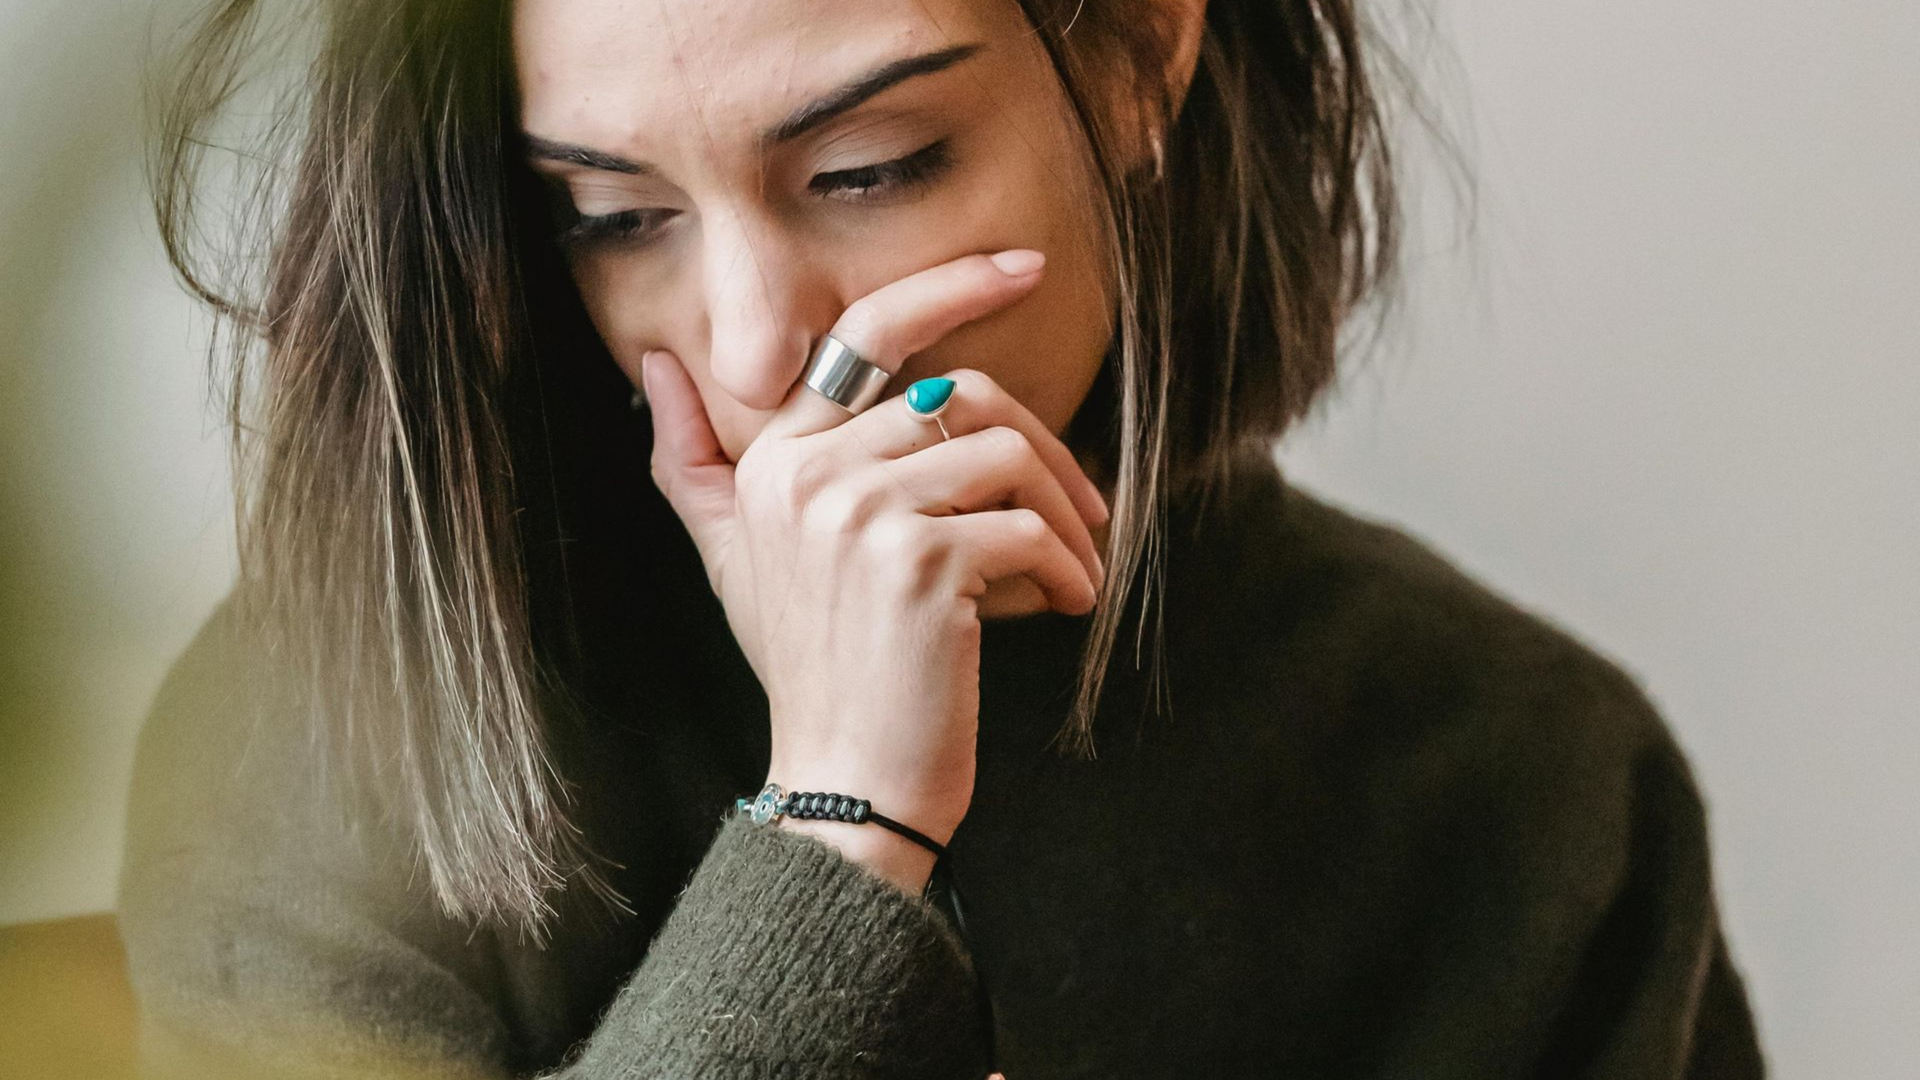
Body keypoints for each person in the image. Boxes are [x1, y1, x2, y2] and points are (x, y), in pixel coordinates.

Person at [117, 0, 1766, 1076]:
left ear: (1138, 55)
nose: (757, 348)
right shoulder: (342, 732)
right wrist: (841, 819)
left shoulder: (1524, 782)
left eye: (869, 167)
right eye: (613, 220)